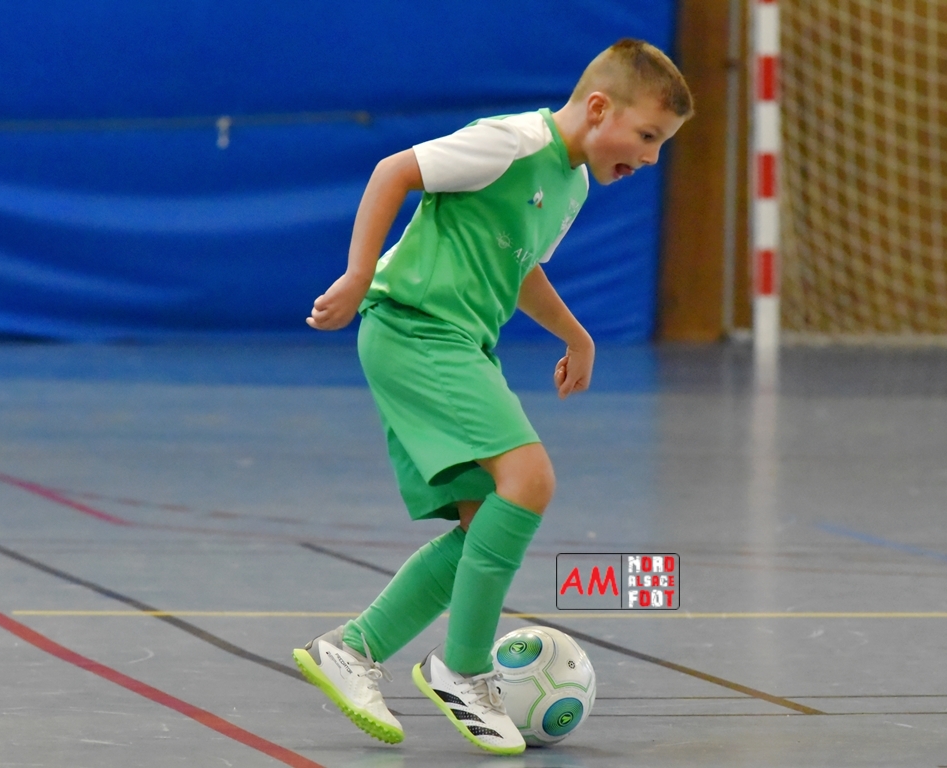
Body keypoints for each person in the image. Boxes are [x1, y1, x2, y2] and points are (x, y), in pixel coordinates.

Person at [293, 38, 693, 755]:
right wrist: (356, 275)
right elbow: (393, 171)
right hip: (415, 328)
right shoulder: (511, 143)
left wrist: (577, 335)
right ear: (598, 108)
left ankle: (353, 649)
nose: (652, 157)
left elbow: (522, 268)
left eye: (661, 144)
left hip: (459, 343)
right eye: (647, 136)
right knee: (530, 480)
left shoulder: (570, 184)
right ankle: (464, 671)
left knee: (484, 526)